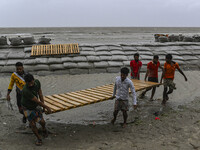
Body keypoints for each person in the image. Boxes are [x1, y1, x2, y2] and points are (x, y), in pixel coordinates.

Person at [21, 73, 51, 146]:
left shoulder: (37, 83)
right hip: (27, 107)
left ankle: (44, 129)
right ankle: (39, 138)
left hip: (35, 106)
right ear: (26, 82)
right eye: (28, 83)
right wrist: (47, 107)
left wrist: (43, 106)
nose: (31, 85)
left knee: (42, 122)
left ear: (33, 80)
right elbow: (37, 101)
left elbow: (40, 94)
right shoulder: (25, 90)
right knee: (33, 124)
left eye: (31, 82)